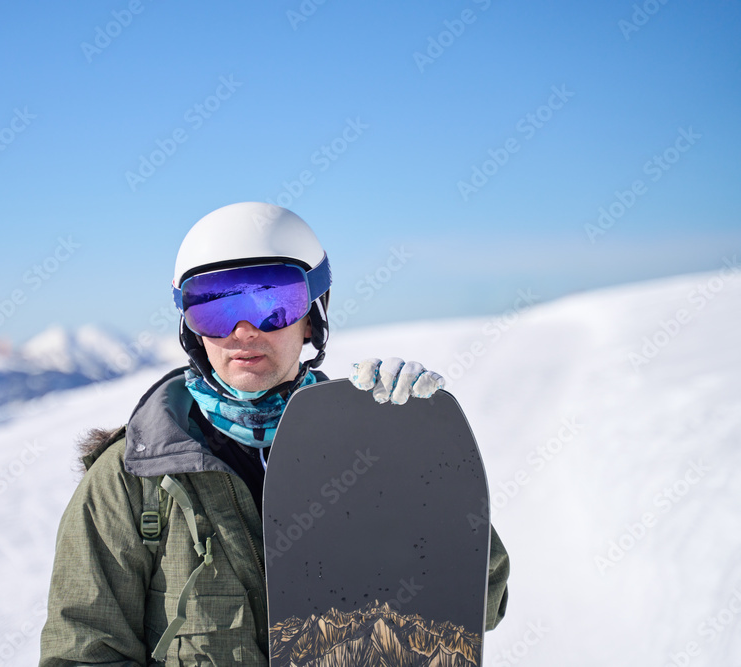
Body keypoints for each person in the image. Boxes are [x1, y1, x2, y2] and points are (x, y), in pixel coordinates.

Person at [39, 202, 509, 666]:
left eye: (271, 303)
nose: (244, 331)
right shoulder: (132, 478)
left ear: (311, 319)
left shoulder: (367, 448)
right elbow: (83, 654)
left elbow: (479, 609)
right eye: (215, 308)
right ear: (191, 329)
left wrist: (414, 455)